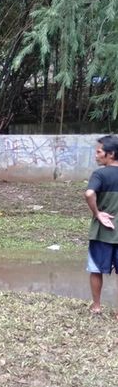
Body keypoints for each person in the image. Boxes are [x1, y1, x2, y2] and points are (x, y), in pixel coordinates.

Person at [84, 134, 118, 315]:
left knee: (96, 269)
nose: (96, 155)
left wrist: (97, 213)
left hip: (102, 232)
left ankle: (96, 307)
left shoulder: (99, 174)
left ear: (110, 154)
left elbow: (89, 194)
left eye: (99, 152)